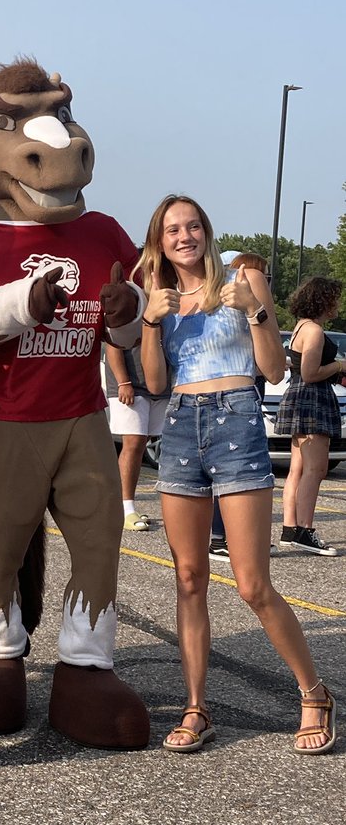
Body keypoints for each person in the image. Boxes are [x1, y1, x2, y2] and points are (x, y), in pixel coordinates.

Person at [138, 193, 335, 755]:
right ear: (160, 242)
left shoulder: (243, 278)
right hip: (181, 427)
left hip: (236, 422)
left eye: (192, 226)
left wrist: (254, 310)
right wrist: (150, 321)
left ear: (206, 231)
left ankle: (315, 693)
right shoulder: (160, 294)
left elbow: (273, 370)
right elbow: (155, 383)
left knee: (251, 583)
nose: (184, 236)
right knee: (188, 577)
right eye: (173, 230)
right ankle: (196, 707)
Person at [208, 253, 272, 561]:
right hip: (235, 393)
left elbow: (273, 369)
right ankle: (220, 536)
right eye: (264, 275)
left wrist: (254, 310)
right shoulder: (228, 299)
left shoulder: (245, 301)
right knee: (230, 473)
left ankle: (225, 536)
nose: (266, 282)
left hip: (242, 390)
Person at [276, 276, 345, 556]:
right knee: (316, 469)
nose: (338, 304)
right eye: (334, 299)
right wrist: (339, 365)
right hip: (312, 398)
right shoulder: (314, 330)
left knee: (298, 468)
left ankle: (290, 528)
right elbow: (310, 372)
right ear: (323, 300)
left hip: (300, 397)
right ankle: (305, 530)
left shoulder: (301, 326)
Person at [103, 340, 169, 531]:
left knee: (142, 443)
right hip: (130, 384)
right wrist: (123, 382)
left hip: (160, 384)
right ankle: (125, 509)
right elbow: (113, 343)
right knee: (133, 443)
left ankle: (124, 506)